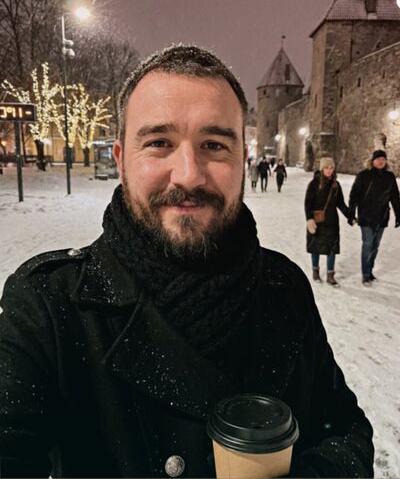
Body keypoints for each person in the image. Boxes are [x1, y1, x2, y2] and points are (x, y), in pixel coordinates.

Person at [0, 45, 374, 478]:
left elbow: (343, 431)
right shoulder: (49, 304)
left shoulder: (283, 287)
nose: (189, 174)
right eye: (159, 143)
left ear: (243, 161)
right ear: (121, 161)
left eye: (214, 145)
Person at [348, 149, 400, 286]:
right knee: (368, 244)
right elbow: (354, 195)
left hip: (382, 217)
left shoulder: (389, 176)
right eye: (378, 159)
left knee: (375, 246)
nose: (381, 162)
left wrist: (398, 215)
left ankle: (370, 271)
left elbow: (395, 197)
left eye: (383, 159)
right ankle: (365, 274)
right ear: (373, 161)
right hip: (366, 216)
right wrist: (351, 213)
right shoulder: (363, 175)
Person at [305, 157, 351, 286]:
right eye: (326, 167)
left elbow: (340, 203)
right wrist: (309, 219)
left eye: (331, 168)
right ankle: (315, 271)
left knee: (332, 248)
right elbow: (308, 203)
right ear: (322, 169)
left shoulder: (335, 185)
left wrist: (350, 216)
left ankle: (330, 275)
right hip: (317, 221)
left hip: (331, 222)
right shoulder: (314, 184)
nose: (329, 170)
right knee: (316, 247)